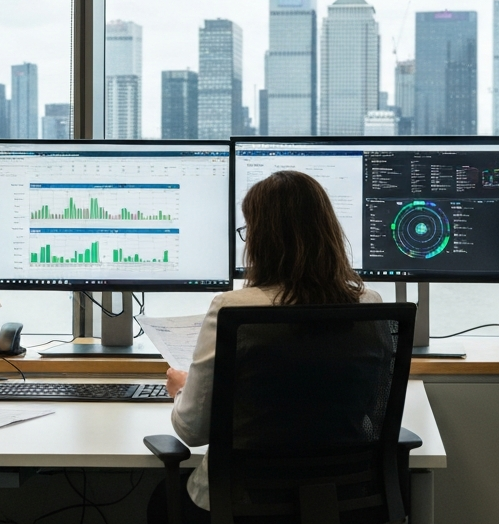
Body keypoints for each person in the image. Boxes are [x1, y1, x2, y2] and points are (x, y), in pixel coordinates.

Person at [147, 170, 381, 524]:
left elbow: (191, 432)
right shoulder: (371, 305)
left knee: (160, 501)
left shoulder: (235, 309)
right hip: (340, 500)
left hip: (242, 504)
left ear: (261, 240)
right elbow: (368, 406)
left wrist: (180, 391)